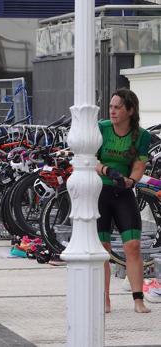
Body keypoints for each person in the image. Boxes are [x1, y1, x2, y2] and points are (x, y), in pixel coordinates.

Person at [95, 88, 151, 314]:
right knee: (103, 248)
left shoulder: (141, 135)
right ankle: (104, 298)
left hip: (123, 192)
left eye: (118, 107)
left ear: (131, 110)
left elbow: (139, 166)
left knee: (133, 245)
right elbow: (89, 159)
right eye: (111, 106)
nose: (113, 111)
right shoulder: (101, 128)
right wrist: (107, 170)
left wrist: (130, 181)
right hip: (100, 191)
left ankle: (138, 299)